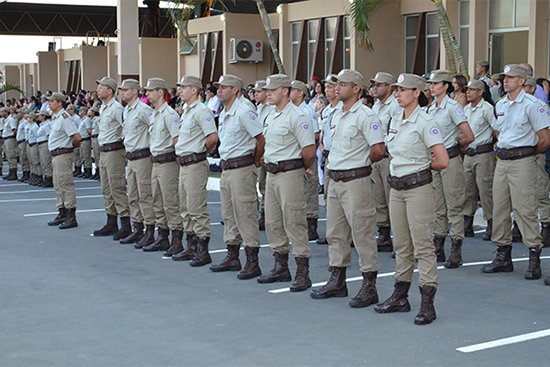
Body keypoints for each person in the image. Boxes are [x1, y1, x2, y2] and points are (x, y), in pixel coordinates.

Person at [374, 73, 449, 325]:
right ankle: (400, 296)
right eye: (396, 89)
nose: (398, 93)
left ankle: (427, 303)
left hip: (418, 189)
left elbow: (442, 159)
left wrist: (418, 169)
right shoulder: (395, 119)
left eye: (404, 89)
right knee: (402, 246)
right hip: (397, 189)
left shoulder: (426, 122)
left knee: (423, 246)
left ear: (417, 92)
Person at [310, 69, 386, 308]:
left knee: (362, 233)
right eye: (337, 84)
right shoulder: (335, 114)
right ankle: (338, 280)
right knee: (335, 232)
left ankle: (369, 284)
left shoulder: (366, 115)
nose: (337, 87)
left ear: (356, 89)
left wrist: (359, 164)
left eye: (343, 84)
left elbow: (378, 149)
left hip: (356, 180)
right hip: (335, 179)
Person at [481, 64, 550, 281]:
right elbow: (501, 133)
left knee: (525, 208)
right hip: (503, 160)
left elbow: (545, 138)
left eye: (510, 77)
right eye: (504, 77)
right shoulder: (501, 104)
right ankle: (503, 255)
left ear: (522, 81)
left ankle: (533, 256)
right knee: (500, 207)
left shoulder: (533, 105)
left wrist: (529, 153)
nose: (505, 81)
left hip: (523, 160)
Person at [257, 74, 316, 292]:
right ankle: (281, 266)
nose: (268, 93)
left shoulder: (298, 116)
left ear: (285, 91)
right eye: (267, 89)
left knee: (294, 221)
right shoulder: (272, 116)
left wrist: (298, 168)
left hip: (290, 172)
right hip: (272, 174)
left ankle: (303, 271)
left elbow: (309, 151)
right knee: (273, 222)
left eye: (272, 90)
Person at [210, 74, 265, 278]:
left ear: (235, 90)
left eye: (224, 87)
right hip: (227, 168)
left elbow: (260, 139)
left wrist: (256, 160)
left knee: (245, 213)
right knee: (229, 214)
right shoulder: (226, 111)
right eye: (218, 87)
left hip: (242, 168)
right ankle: (232, 255)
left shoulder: (244, 110)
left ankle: (253, 261)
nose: (219, 90)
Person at [426, 70, 474, 268]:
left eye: (436, 83)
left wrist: (456, 147)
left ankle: (456, 250)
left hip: (451, 159)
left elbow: (468, 135)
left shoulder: (453, 107)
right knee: (438, 206)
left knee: (454, 205)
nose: (432, 87)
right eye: (431, 83)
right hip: (435, 161)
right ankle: (439, 247)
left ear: (446, 86)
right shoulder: (429, 109)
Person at [172, 76, 218, 265]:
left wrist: (200, 151)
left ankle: (202, 248)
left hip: (194, 163)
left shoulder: (201, 111)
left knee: (196, 207)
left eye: (183, 87)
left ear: (194, 90)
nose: (180, 90)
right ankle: (190, 245)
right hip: (183, 164)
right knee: (185, 208)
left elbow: (213, 137)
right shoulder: (186, 112)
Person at [141, 78, 184, 254]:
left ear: (160, 92)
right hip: (156, 162)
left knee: (170, 202)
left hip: (167, 162)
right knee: (157, 201)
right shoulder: (154, 114)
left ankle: (176, 240)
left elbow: (177, 140)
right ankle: (162, 237)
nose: (147, 94)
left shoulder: (170, 114)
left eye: (150, 91)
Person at [118, 79, 156, 248]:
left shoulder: (144, 110)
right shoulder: (127, 110)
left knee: (145, 195)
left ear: (134, 91)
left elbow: (154, 130)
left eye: (125, 90)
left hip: (142, 157)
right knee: (132, 195)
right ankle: (137, 228)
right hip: (131, 158)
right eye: (121, 90)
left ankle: (149, 230)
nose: (122, 93)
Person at [93, 77, 132, 240]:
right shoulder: (103, 108)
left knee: (116, 187)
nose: (98, 89)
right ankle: (111, 221)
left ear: (110, 90)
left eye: (102, 87)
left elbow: (126, 128)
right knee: (106, 188)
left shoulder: (116, 108)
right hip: (104, 151)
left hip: (114, 151)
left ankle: (125, 223)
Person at [370, 72, 401, 252]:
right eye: (374, 84)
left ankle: (398, 238)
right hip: (376, 157)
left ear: (389, 88)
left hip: (388, 156)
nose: (375, 88)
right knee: (378, 197)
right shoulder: (376, 107)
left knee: (392, 198)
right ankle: (383, 234)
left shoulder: (394, 107)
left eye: (379, 85)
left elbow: (394, 131)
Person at [462, 79, 497, 242]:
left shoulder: (487, 109)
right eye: (467, 90)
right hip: (468, 154)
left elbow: (497, 130)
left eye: (472, 90)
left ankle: (491, 223)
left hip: (483, 154)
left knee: (485, 190)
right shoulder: (466, 109)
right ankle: (467, 222)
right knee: (467, 190)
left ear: (480, 92)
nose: (468, 92)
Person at [290, 80, 321, 240]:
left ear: (301, 93)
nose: (290, 92)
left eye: (293, 90)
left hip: (307, 155)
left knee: (309, 190)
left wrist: (308, 157)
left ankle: (311, 225)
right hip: (296, 156)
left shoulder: (307, 111)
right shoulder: (292, 111)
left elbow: (315, 135)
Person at [46, 93, 82, 229]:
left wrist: (71, 147)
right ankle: (62, 212)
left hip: (63, 154)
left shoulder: (64, 118)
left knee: (65, 184)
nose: (49, 104)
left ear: (60, 103)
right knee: (58, 184)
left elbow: (77, 137)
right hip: (56, 155)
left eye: (52, 101)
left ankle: (71, 215)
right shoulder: (56, 118)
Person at [524, 77, 550, 247]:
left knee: (541, 191)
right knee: (524, 193)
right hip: (521, 155)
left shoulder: (539, 106)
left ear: (532, 88)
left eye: (526, 86)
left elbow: (546, 136)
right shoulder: (514, 105)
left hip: (537, 152)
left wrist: (536, 151)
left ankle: (546, 227)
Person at [254, 80, 275, 231]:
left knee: (268, 185)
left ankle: (267, 215)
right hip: (260, 150)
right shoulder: (258, 108)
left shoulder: (271, 109)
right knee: (262, 184)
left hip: (269, 150)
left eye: (258, 91)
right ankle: (263, 213)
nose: (256, 94)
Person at [36, 110, 53, 187]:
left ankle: (49, 178)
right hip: (41, 144)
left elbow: (49, 135)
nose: (38, 117)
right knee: (43, 162)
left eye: (40, 115)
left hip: (45, 143)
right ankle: (45, 178)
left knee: (47, 162)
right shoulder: (42, 124)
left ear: (44, 116)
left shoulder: (47, 125)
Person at [77, 107, 93, 178]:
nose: (79, 112)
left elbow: (89, 130)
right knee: (83, 156)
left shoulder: (87, 120)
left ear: (84, 111)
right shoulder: (82, 120)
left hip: (86, 139)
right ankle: (85, 170)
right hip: (82, 140)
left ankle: (88, 171)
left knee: (86, 156)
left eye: (81, 110)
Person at [16, 107, 30, 182]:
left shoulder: (25, 122)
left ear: (23, 113)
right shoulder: (21, 121)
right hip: (20, 142)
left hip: (23, 142)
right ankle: (25, 173)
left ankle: (27, 173)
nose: (18, 114)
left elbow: (26, 132)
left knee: (25, 158)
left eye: (19, 112)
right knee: (22, 158)